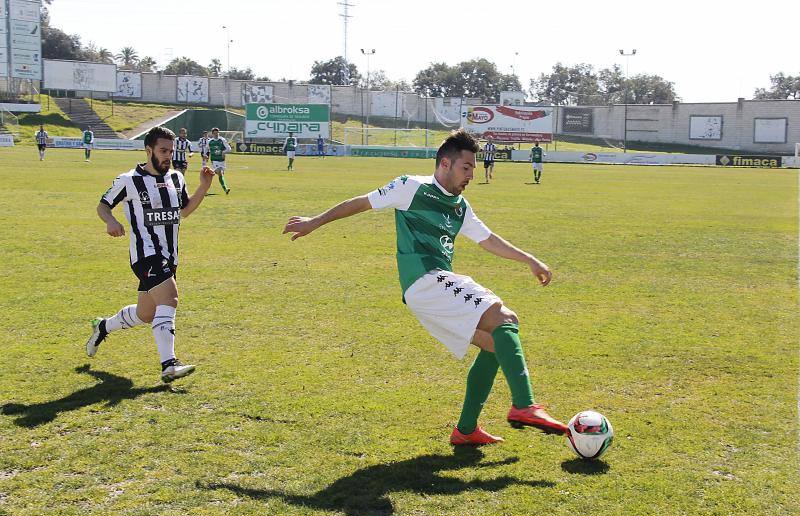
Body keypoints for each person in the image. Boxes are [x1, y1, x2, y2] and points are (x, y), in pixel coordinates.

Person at [283, 129, 568, 445]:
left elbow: (488, 239)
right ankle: (524, 406)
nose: (472, 174)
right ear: (445, 163)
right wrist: (313, 222)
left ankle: (466, 430)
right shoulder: (411, 187)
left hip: (433, 286)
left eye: (474, 168)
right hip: (424, 281)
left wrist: (529, 259)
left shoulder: (460, 206)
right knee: (505, 320)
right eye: (466, 167)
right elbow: (359, 203)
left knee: (494, 344)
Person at [86, 126, 215, 383]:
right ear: (149, 150)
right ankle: (169, 363)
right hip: (145, 254)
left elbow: (184, 211)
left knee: (146, 314)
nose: (168, 155)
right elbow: (103, 206)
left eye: (171, 150)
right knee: (170, 297)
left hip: (170, 256)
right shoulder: (128, 180)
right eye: (163, 150)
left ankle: (102, 327)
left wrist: (204, 186)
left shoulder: (176, 178)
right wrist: (110, 221)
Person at [208, 127, 231, 194]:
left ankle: (210, 173)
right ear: (212, 134)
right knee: (220, 172)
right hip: (214, 160)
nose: (216, 134)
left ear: (219, 133)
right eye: (214, 133)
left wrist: (224, 152)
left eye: (217, 133)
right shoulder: (210, 141)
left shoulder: (222, 140)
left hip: (222, 160)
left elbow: (229, 149)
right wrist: (205, 155)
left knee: (221, 175)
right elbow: (206, 149)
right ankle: (226, 189)